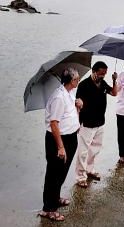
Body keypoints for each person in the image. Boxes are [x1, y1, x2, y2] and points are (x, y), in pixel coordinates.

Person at [38, 68, 82, 221]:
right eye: (77, 78)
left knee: (61, 173)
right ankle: (48, 209)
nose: (79, 79)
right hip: (58, 140)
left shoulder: (69, 93)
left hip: (70, 138)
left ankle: (55, 198)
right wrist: (61, 147)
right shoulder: (58, 97)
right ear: (71, 80)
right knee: (54, 174)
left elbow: (70, 117)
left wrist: (78, 107)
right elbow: (54, 123)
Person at [75, 61, 117, 187]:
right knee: (83, 152)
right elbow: (77, 104)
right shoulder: (83, 85)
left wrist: (114, 80)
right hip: (87, 123)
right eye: (101, 74)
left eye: (105, 74)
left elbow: (114, 93)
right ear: (94, 72)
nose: (103, 76)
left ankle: (90, 169)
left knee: (95, 148)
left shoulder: (102, 83)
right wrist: (77, 123)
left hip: (100, 122)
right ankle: (80, 177)